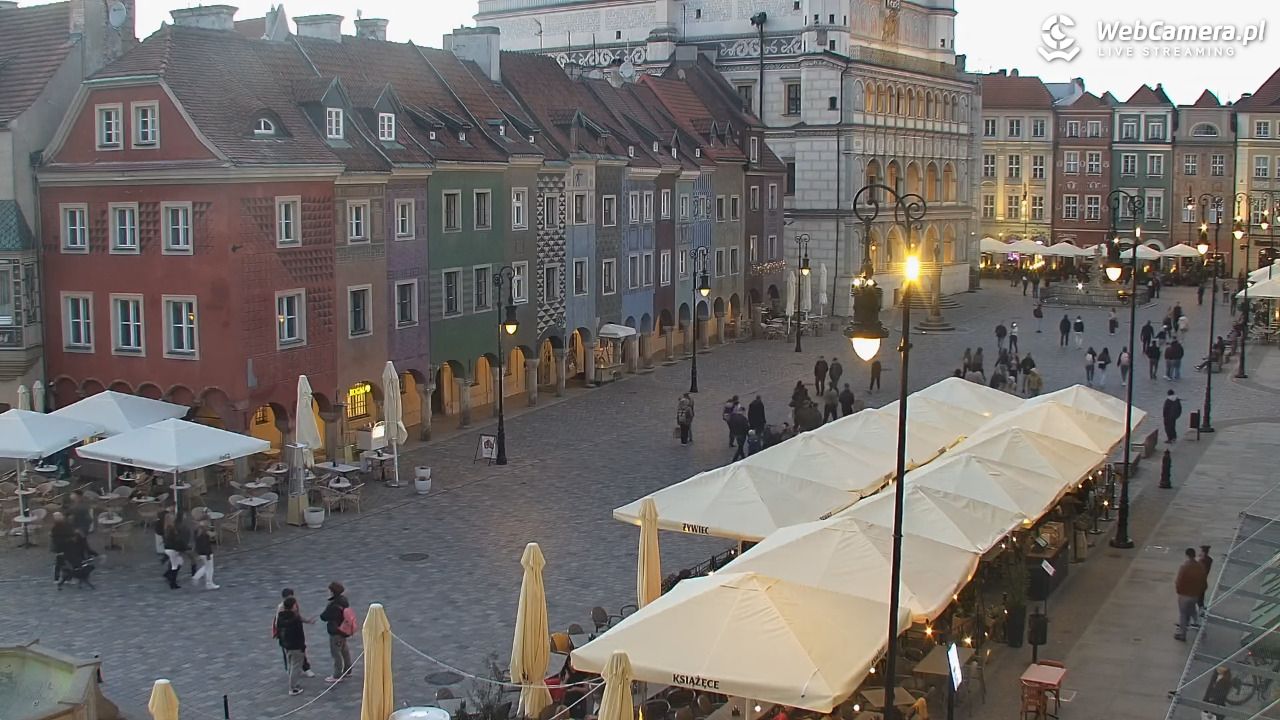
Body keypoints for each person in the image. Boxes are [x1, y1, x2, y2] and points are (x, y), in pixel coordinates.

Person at [274, 588, 316, 678]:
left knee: (301, 650)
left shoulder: (294, 604)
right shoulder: (281, 607)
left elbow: (298, 616)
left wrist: (307, 621)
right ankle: (290, 670)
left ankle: (306, 668)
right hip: (286, 634)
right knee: (288, 653)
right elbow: (278, 622)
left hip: (296, 633)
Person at [320, 581, 354, 682]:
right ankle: (348, 670)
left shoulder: (334, 605)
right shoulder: (344, 600)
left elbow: (324, 616)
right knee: (344, 651)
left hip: (335, 631)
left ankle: (337, 674)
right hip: (344, 630)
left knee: (336, 653)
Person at [276, 596, 308, 695]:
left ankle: (292, 684)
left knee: (291, 664)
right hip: (296, 645)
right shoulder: (295, 619)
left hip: (286, 644)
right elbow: (299, 634)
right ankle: (293, 688)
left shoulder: (281, 617)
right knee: (296, 666)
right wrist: (302, 646)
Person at [1174, 547, 1208, 641]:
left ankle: (1182, 634)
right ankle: (1200, 627)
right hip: (1194, 595)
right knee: (1192, 610)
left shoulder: (1184, 567)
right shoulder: (1200, 567)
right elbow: (1204, 583)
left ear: (1187, 555)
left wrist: (1179, 590)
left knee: (1183, 614)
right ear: (1194, 555)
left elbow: (1178, 581)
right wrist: (1198, 592)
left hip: (1184, 595)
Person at [191, 522, 219, 590]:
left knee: (206, 567)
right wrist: (208, 554)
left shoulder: (197, 532)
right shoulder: (204, 534)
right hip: (207, 553)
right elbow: (206, 545)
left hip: (200, 552)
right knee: (210, 569)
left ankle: (196, 577)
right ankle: (209, 583)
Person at [162, 514, 187, 590]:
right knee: (175, 566)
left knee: (179, 561)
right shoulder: (170, 528)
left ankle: (169, 576)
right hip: (172, 549)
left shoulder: (168, 527)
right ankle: (172, 583)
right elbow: (173, 540)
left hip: (170, 549)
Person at [50, 512, 74, 587]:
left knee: (64, 563)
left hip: (64, 547)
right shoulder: (56, 528)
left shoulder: (60, 527)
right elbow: (55, 539)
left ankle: (64, 578)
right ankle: (61, 578)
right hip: (62, 548)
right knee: (61, 563)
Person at [1197, 545, 1214, 615]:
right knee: (1201, 597)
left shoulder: (1202, 560)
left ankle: (1200, 612)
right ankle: (1201, 610)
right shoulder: (1210, 559)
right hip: (1203, 581)